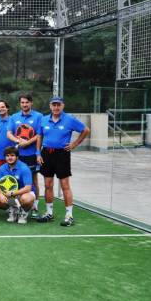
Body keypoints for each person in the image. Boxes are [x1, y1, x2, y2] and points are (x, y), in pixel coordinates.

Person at [36, 96, 91, 227]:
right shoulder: (43, 119)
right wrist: (38, 153)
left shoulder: (69, 119)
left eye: (58, 105)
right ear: (50, 106)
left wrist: (75, 144)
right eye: (53, 105)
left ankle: (69, 215)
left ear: (62, 106)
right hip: (46, 154)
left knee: (65, 185)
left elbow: (86, 130)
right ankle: (49, 213)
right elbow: (39, 136)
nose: (56, 107)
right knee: (48, 184)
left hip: (62, 154)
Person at [6, 94, 43, 217]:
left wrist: (27, 142)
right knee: (15, 180)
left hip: (31, 155)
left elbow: (39, 135)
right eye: (22, 102)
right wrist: (18, 141)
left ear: (31, 103)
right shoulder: (14, 117)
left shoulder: (38, 116)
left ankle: (35, 206)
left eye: (27, 102)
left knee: (33, 180)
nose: (24, 104)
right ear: (20, 104)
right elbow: (9, 133)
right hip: (17, 155)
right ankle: (16, 206)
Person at [0, 147, 35, 225]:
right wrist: (0, 195)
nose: (9, 158)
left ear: (17, 157)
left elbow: (28, 188)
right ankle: (12, 210)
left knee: (26, 199)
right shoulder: (2, 168)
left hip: (24, 193)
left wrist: (12, 193)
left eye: (12, 155)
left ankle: (24, 212)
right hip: (8, 193)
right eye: (7, 156)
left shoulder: (24, 168)